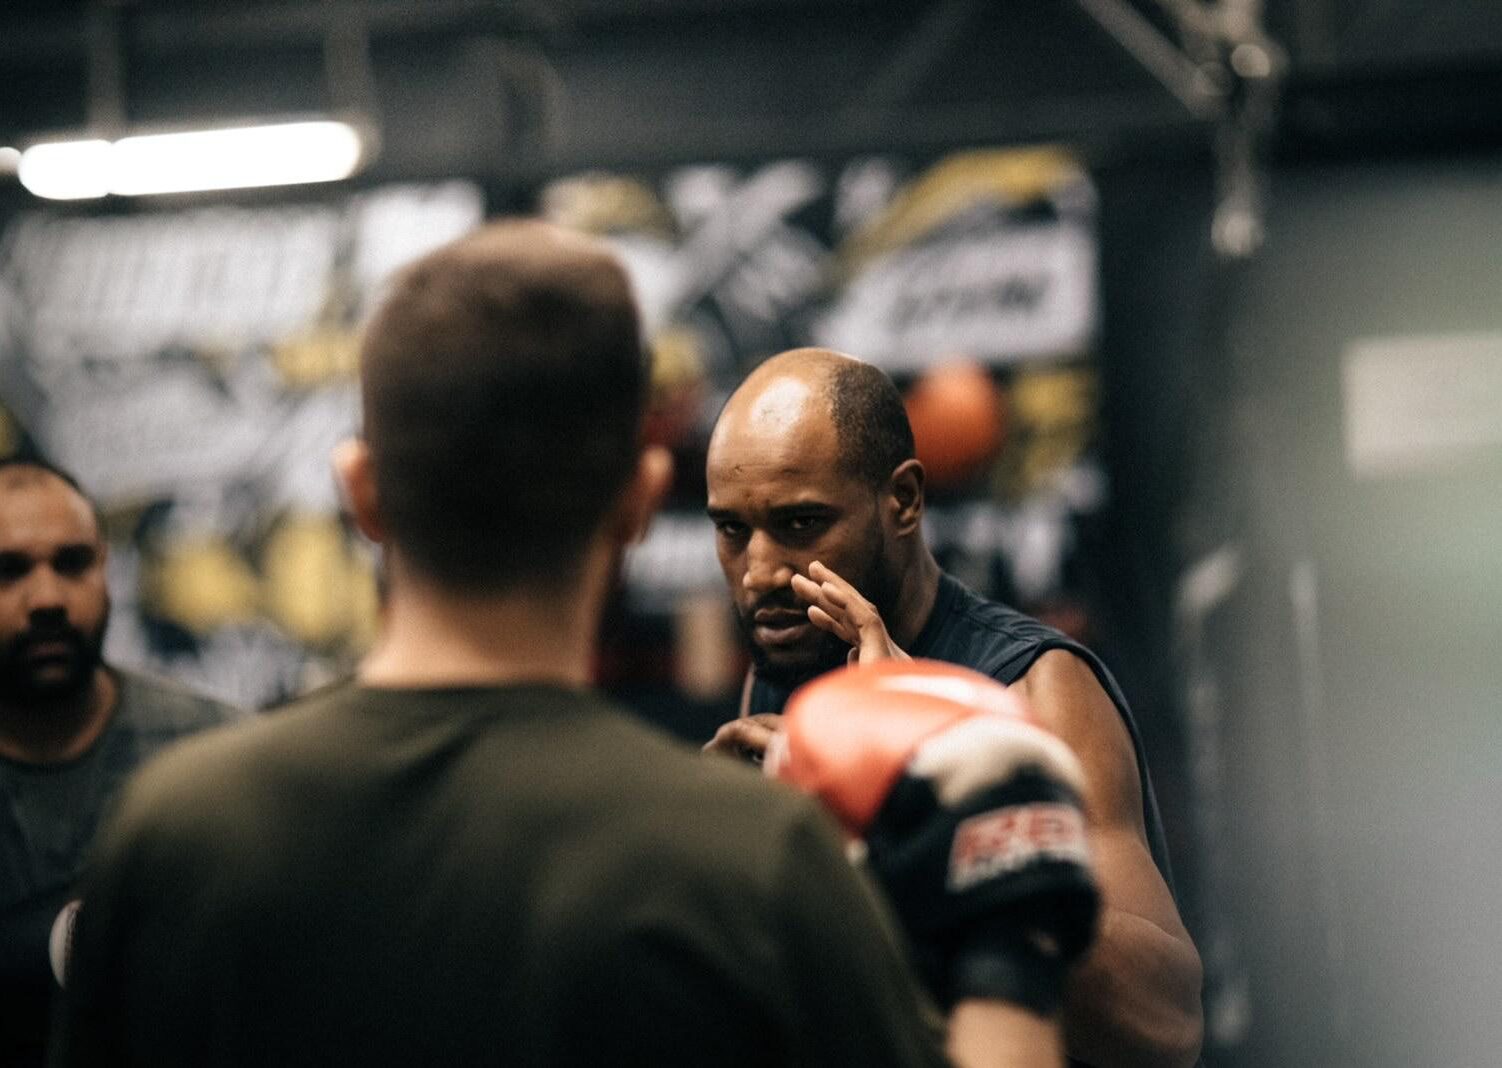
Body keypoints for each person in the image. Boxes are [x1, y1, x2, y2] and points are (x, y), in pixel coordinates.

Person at [51, 220, 1094, 1068]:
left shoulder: (175, 838)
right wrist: (1006, 948)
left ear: (360, 494)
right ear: (638, 504)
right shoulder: (752, 862)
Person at [704, 348, 1204, 1068]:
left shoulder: (1035, 687)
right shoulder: (788, 670)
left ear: (903, 501)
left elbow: (1166, 1026)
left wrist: (950, 783)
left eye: (802, 522)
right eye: (731, 529)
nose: (759, 571)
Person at [0, 458, 245, 1068]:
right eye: (7, 571)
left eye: (74, 562)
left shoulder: (217, 752)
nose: (48, 599)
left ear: (109, 569)